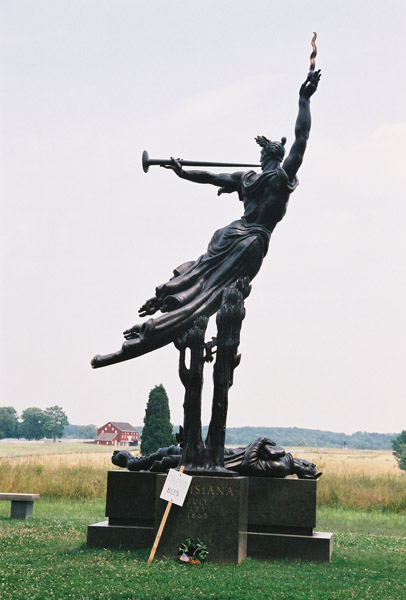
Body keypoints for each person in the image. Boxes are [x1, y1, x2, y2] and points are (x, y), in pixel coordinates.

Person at [91, 70, 321, 368]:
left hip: (230, 233)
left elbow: (211, 177)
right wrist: (304, 100)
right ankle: (161, 328)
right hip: (251, 242)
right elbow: (301, 138)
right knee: (212, 295)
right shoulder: (281, 178)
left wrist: (181, 171)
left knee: (200, 277)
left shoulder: (247, 178)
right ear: (279, 159)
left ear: (263, 157)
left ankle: (165, 302)